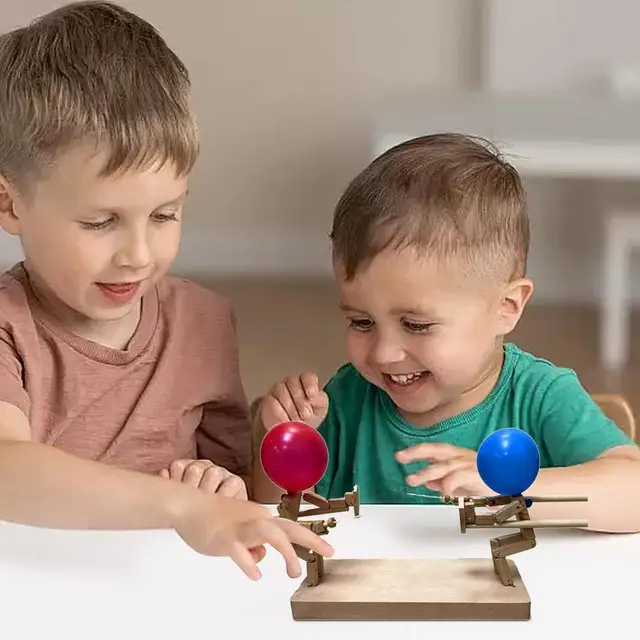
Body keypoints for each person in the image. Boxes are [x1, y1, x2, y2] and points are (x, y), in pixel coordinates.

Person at [0, 0, 334, 580]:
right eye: (101, 222)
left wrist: (254, 454)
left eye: (164, 214)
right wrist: (181, 505)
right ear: (10, 204)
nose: (138, 254)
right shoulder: (9, 326)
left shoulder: (202, 321)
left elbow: (235, 493)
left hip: (160, 588)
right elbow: (7, 470)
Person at [257, 133, 640, 533]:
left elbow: (633, 494)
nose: (385, 353)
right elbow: (277, 521)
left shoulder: (541, 396)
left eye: (417, 325)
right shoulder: (349, 398)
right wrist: (284, 441)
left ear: (506, 308)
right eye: (361, 322)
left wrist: (513, 490)